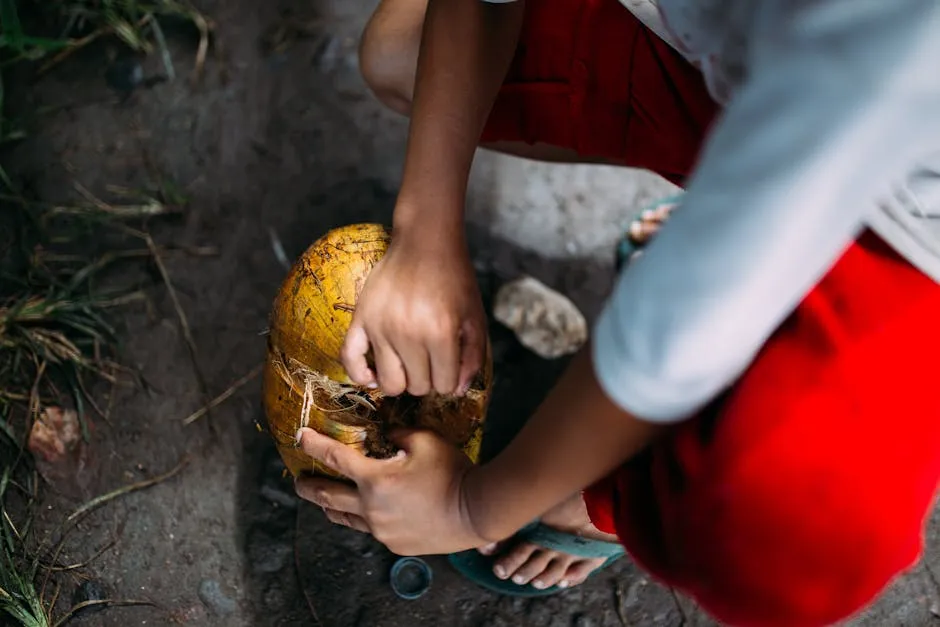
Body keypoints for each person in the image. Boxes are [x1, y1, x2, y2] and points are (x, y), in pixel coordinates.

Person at [293, 0, 940, 624]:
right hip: (755, 82)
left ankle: (610, 492)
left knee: (803, 539)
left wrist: (472, 507)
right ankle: (729, 205)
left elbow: (682, 330)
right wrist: (425, 232)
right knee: (404, 54)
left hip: (911, 222)